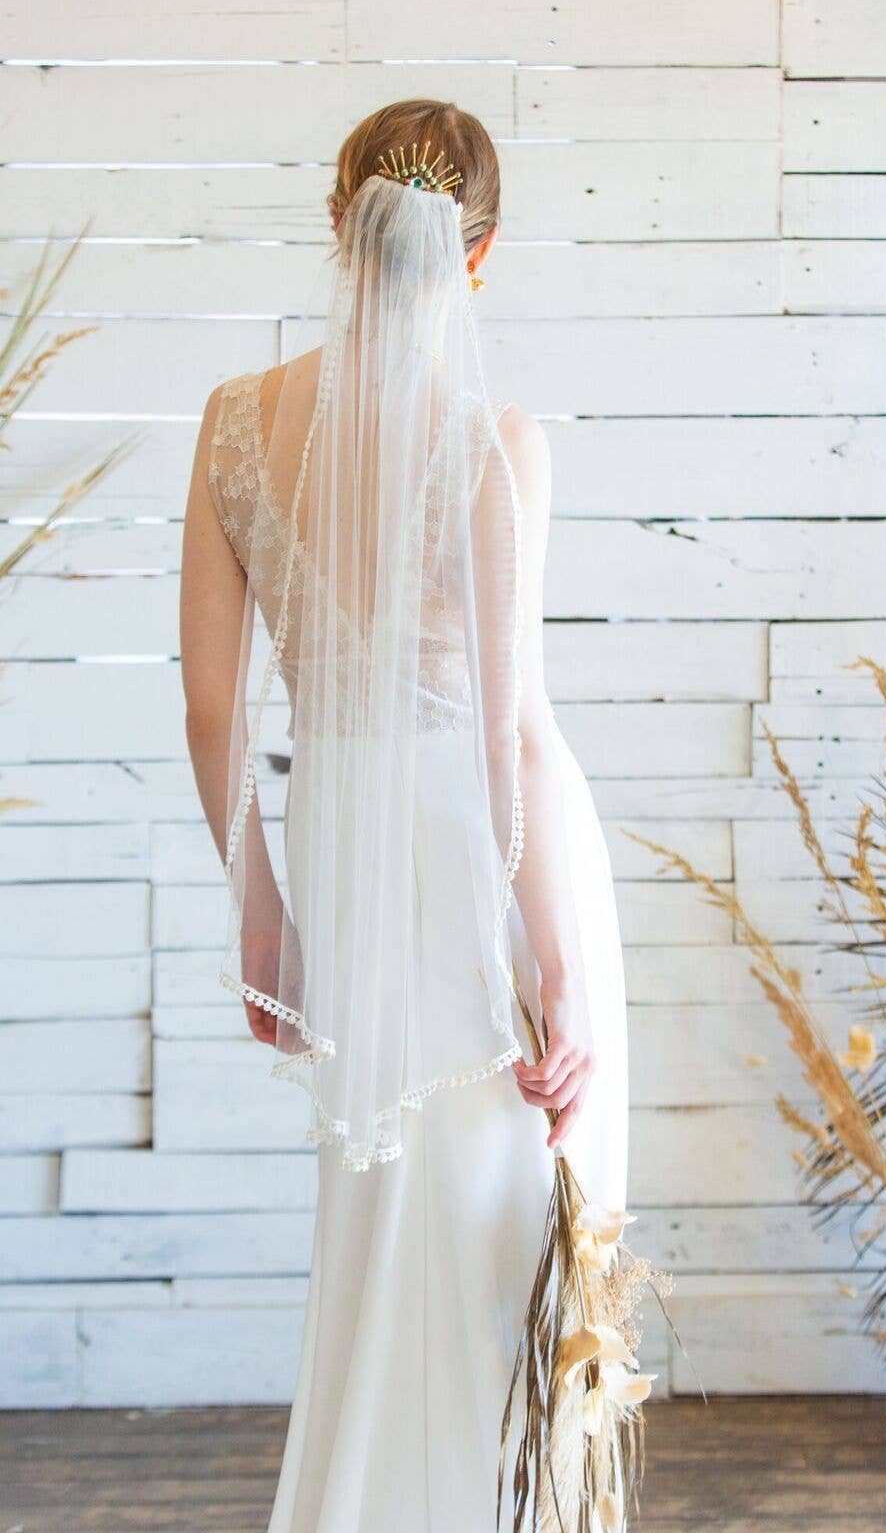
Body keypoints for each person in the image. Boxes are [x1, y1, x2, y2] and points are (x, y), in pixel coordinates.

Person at [179, 99, 629, 1531]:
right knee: (501, 1212)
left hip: (341, 845)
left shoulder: (233, 425)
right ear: (477, 254)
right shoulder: (496, 439)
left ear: (339, 223)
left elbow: (212, 714)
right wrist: (558, 958)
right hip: (479, 850)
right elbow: (511, 733)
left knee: (373, 1203)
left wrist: (261, 911)